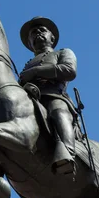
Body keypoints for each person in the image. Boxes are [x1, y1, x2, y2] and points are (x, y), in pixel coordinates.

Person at [19, 17, 77, 175]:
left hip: (54, 96)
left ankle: (67, 153)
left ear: (52, 38)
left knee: (58, 111)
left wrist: (36, 71)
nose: (37, 33)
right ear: (30, 43)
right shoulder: (28, 64)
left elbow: (69, 71)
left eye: (42, 30)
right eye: (32, 33)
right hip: (30, 99)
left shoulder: (63, 52)